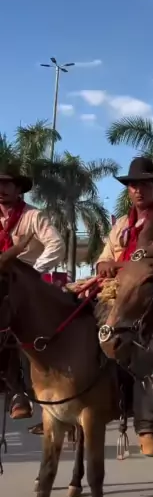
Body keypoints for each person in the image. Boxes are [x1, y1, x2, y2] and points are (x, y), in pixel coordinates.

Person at [96, 156, 153, 458]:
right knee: (75, 328)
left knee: (147, 344)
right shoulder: (121, 224)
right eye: (133, 185)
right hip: (112, 293)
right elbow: (103, 258)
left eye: (145, 185)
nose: (138, 190)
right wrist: (104, 265)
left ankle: (148, 427)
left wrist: (120, 266)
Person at [0, 163, 66, 420]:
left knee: (22, 328)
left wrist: (34, 272)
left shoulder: (33, 216)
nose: (1, 189)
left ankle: (23, 393)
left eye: (7, 184)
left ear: (18, 189)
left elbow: (56, 244)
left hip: (25, 286)